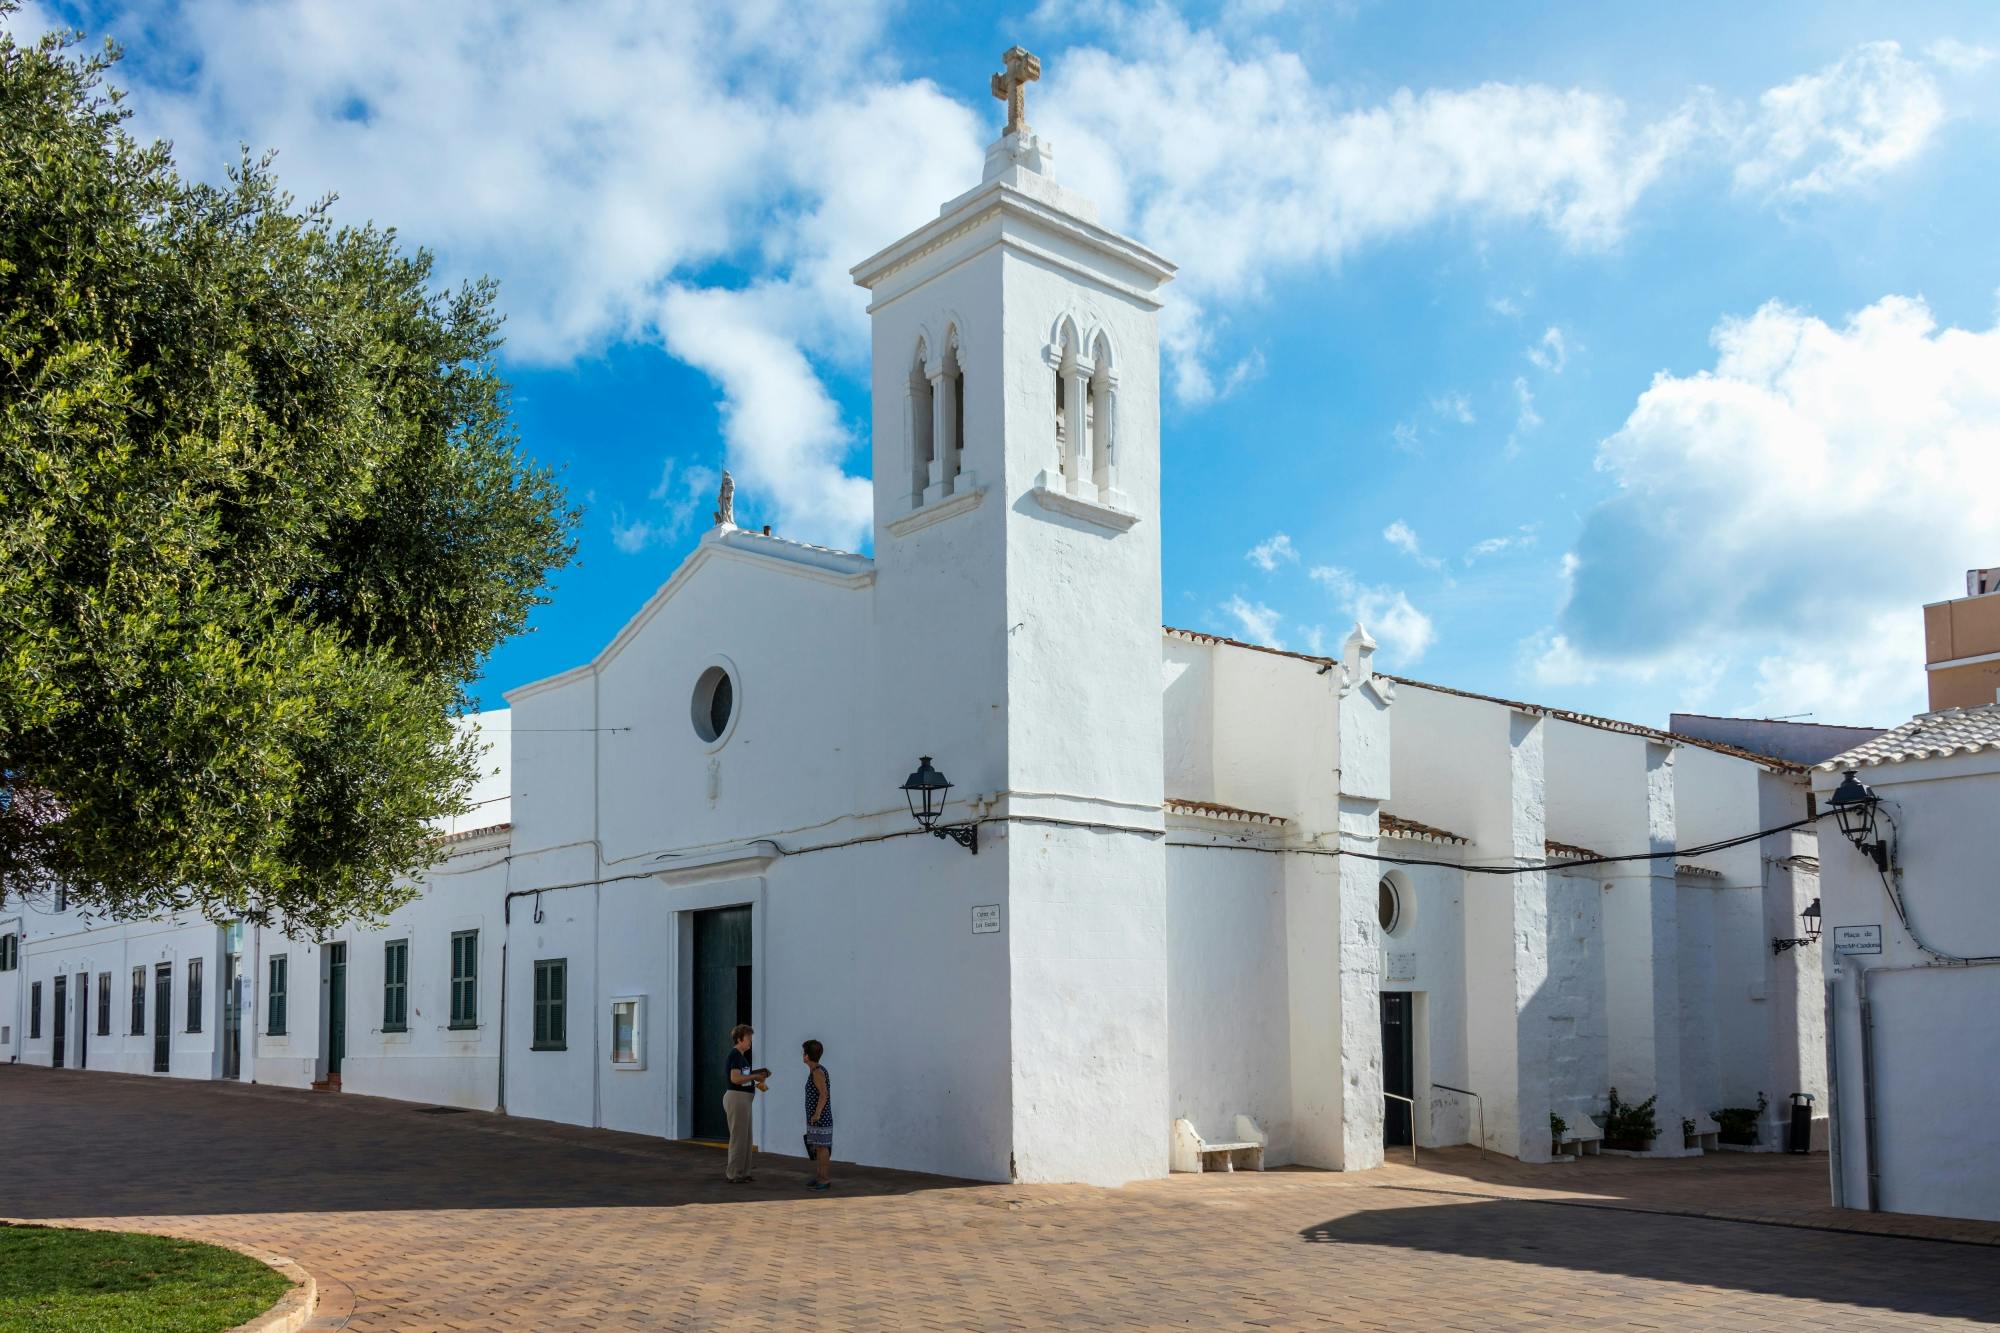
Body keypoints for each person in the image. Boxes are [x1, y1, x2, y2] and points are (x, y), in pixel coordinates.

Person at [723, 1024, 767, 1183]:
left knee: (746, 1138)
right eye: (748, 1039)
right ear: (739, 1039)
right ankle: (734, 1173)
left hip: (743, 1099)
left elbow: (743, 1079)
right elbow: (735, 1078)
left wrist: (755, 1079)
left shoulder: (741, 1057)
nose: (750, 1042)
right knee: (739, 1138)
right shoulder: (735, 1055)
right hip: (737, 1099)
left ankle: (744, 1172)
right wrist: (754, 1077)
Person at [801, 1039, 833, 1190]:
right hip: (817, 1118)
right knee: (819, 1148)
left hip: (820, 1118)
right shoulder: (815, 1071)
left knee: (823, 1147)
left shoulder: (818, 1072)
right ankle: (820, 1176)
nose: (802, 1055)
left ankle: (824, 1179)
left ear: (807, 1056)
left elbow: (824, 1094)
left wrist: (817, 1114)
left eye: (804, 1052)